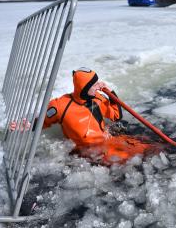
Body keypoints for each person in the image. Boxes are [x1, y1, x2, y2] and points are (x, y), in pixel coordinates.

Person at [10, 67, 152, 164]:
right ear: (83, 86)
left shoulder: (98, 99)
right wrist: (28, 125)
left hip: (108, 140)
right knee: (130, 161)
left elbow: (116, 116)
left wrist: (111, 95)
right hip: (87, 151)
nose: (99, 86)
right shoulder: (60, 105)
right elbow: (42, 121)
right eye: (94, 84)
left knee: (149, 147)